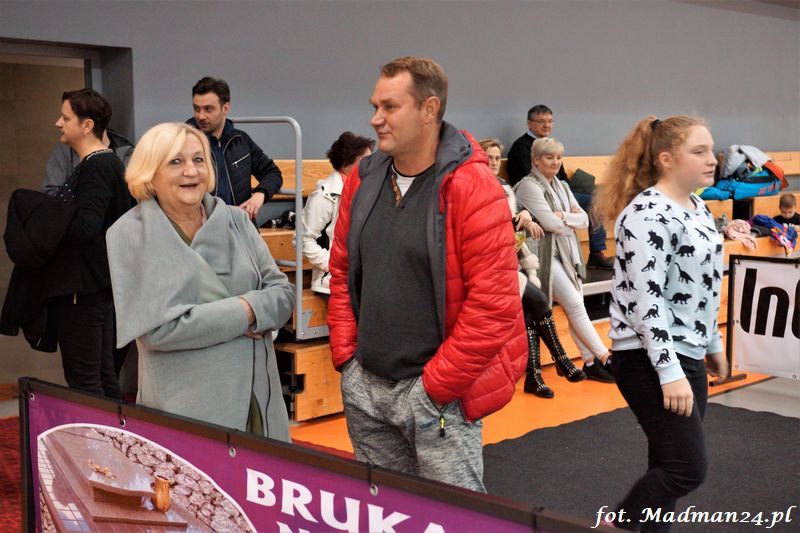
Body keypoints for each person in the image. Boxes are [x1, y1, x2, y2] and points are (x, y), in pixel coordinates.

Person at [328, 57, 526, 492]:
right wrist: (347, 359)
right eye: (374, 106)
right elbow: (341, 269)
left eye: (390, 107)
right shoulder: (363, 178)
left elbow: (493, 306)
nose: (375, 119)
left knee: (453, 516)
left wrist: (435, 388)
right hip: (366, 387)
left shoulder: (472, 186)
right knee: (383, 514)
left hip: (436, 397)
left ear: (429, 109)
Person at [106, 122, 294, 439]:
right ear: (150, 172)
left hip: (254, 398)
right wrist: (247, 310)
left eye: (198, 159)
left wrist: (242, 311)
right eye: (175, 161)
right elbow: (158, 330)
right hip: (184, 406)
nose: (191, 171)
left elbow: (283, 295)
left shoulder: (237, 221)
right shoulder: (129, 234)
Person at [593, 115, 727, 531]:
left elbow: (705, 285)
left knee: (667, 464)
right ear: (666, 159)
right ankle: (617, 525)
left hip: (686, 352)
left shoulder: (699, 207)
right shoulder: (646, 214)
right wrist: (669, 372)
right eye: (699, 151)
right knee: (687, 469)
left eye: (711, 150)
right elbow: (645, 301)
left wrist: (712, 344)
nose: (712, 159)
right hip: (648, 358)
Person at [480, 138, 586, 398]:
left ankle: (534, 376)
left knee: (532, 310)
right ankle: (560, 358)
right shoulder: (478, 188)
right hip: (489, 266)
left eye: (497, 158)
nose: (493, 162)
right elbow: (490, 227)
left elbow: (580, 220)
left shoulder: (503, 185)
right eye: (488, 157)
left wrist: (523, 219)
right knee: (539, 300)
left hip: (512, 260)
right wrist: (523, 219)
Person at [48, 88, 134, 398]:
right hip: (97, 288)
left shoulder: (96, 166)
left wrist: (47, 223)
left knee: (86, 381)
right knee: (102, 376)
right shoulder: (105, 164)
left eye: (66, 118)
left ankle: (97, 432)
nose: (59, 123)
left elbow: (86, 227)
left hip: (85, 291)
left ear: (86, 126)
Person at [514, 137, 615, 383]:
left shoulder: (562, 186)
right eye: (549, 157)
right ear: (536, 160)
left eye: (559, 157)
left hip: (567, 253)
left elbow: (584, 220)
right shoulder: (528, 186)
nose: (556, 162)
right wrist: (567, 218)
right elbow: (552, 224)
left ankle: (589, 362)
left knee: (576, 306)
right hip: (543, 256)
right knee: (575, 304)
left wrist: (562, 216)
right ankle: (605, 357)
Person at [507, 105, 613, 268]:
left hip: (558, 192)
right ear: (529, 124)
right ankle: (596, 252)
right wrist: (570, 216)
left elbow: (561, 178)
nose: (547, 125)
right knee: (589, 203)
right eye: (542, 121)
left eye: (550, 121)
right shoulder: (521, 147)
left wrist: (566, 201)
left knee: (595, 198)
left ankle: (596, 253)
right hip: (535, 198)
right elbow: (529, 179)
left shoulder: (552, 146)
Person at [187, 76, 283, 220]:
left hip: (240, 224)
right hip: (202, 226)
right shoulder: (183, 142)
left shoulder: (241, 140)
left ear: (225, 108)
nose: (201, 116)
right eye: (196, 109)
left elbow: (272, 173)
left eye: (208, 109)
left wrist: (260, 194)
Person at [300, 132, 374, 296]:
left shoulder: (368, 192)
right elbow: (302, 240)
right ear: (347, 164)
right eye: (365, 160)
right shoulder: (324, 196)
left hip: (363, 282)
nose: (371, 166)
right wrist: (333, 265)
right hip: (331, 283)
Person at [43, 129, 135, 195]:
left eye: (67, 118)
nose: (59, 123)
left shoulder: (124, 153)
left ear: (88, 125)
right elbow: (50, 193)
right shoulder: (65, 150)